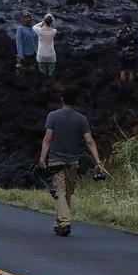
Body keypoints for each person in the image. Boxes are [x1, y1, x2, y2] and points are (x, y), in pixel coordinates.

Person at [39, 85, 104, 237]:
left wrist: (42, 158)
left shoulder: (53, 116)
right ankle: (59, 224)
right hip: (73, 162)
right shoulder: (82, 119)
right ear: (76, 101)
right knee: (67, 193)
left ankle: (65, 221)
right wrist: (98, 161)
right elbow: (89, 141)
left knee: (60, 193)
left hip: (56, 161)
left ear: (62, 98)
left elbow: (47, 139)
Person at [116, 15, 138, 85]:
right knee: (131, 71)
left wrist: (120, 50)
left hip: (122, 54)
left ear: (123, 22)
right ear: (131, 22)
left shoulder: (120, 31)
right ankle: (130, 88)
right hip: (132, 55)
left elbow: (117, 42)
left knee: (123, 71)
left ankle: (123, 89)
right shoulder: (134, 31)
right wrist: (135, 50)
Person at [34, 13, 58, 77]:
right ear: (52, 21)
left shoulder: (39, 30)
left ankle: (43, 85)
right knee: (52, 73)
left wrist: (42, 22)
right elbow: (51, 26)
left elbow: (34, 27)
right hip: (51, 55)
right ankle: (51, 84)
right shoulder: (54, 31)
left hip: (41, 55)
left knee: (42, 74)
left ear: (44, 20)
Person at [14, 11, 39, 76]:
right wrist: (20, 54)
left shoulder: (34, 29)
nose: (27, 19)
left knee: (32, 72)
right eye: (25, 18)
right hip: (24, 55)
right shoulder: (20, 29)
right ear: (23, 19)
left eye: (28, 18)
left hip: (33, 54)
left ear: (31, 19)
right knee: (21, 72)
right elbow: (19, 42)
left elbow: (37, 41)